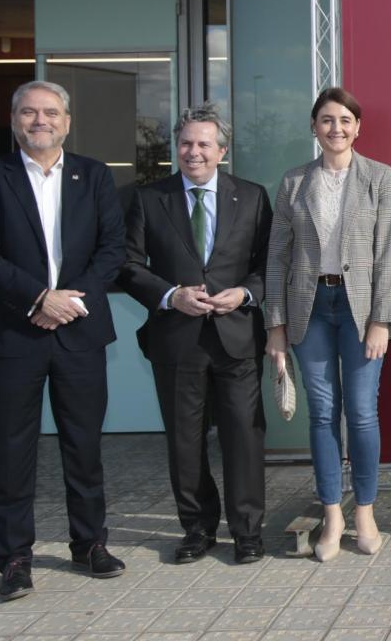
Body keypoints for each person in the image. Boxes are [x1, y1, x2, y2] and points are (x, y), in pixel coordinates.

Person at [0, 79, 127, 601]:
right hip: (11, 333)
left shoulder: (94, 176)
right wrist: (38, 298)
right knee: (9, 452)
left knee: (85, 446)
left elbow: (111, 248)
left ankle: (90, 544)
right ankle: (13, 557)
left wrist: (70, 302)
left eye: (50, 112)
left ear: (67, 122)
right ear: (14, 121)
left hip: (78, 331)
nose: (39, 121)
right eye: (28, 113)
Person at [120, 103, 273, 565]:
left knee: (243, 438)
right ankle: (197, 529)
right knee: (184, 440)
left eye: (204, 143)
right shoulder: (149, 199)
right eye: (186, 143)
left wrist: (244, 294)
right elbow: (127, 265)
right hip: (177, 337)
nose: (194, 151)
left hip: (236, 337)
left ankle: (247, 531)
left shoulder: (251, 197)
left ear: (221, 151)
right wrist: (170, 296)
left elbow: (269, 266)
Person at [264, 87, 391, 562]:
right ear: (314, 127)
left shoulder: (380, 178)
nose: (336, 128)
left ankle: (364, 511)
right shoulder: (293, 183)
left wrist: (382, 319)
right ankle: (332, 516)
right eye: (327, 120)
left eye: (345, 120)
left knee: (362, 413)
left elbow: (388, 254)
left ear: (358, 127)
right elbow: (277, 258)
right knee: (323, 414)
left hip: (360, 312)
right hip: (309, 309)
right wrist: (275, 326)